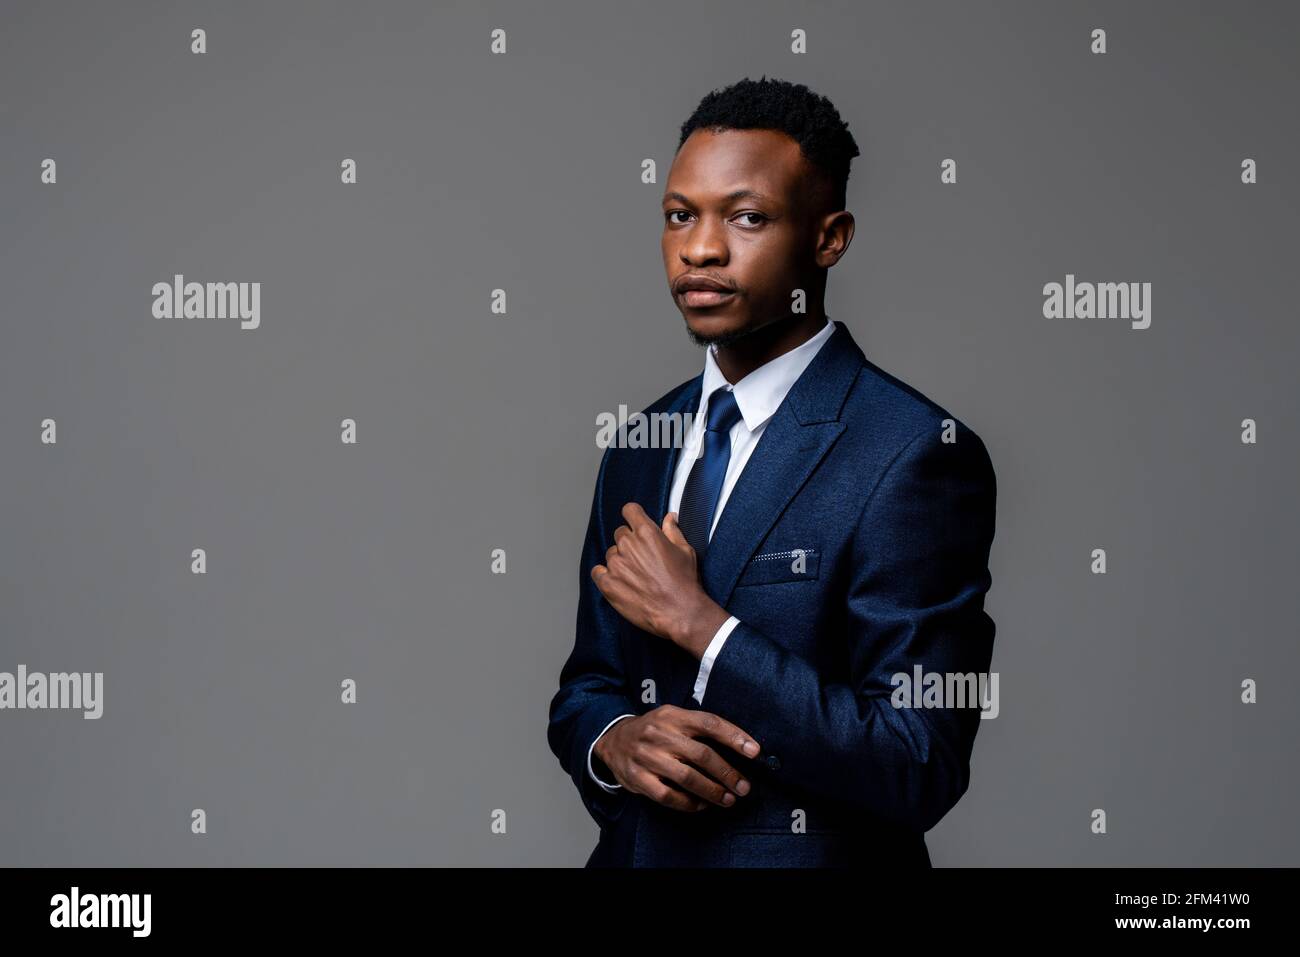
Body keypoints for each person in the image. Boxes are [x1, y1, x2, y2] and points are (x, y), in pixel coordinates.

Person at [547, 76, 997, 867]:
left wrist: (704, 628)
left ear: (830, 239)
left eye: (747, 216)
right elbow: (587, 685)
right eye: (680, 215)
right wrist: (617, 741)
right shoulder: (641, 442)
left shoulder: (915, 453)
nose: (701, 247)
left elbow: (917, 759)